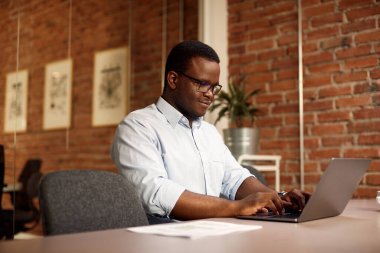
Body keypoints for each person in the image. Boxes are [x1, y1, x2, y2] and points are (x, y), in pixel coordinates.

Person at [111, 40, 310, 223]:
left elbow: (235, 178)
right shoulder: (138, 126)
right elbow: (156, 192)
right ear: (173, 79)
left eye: (214, 87)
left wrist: (277, 199)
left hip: (215, 232)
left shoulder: (209, 132)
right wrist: (236, 207)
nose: (210, 94)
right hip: (167, 237)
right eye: (202, 84)